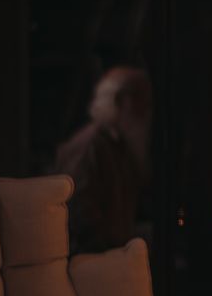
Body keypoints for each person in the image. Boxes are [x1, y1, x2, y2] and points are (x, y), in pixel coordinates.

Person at [54, 65, 153, 254]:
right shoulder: (89, 148)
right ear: (122, 102)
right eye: (143, 103)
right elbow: (78, 218)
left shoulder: (118, 147)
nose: (148, 114)